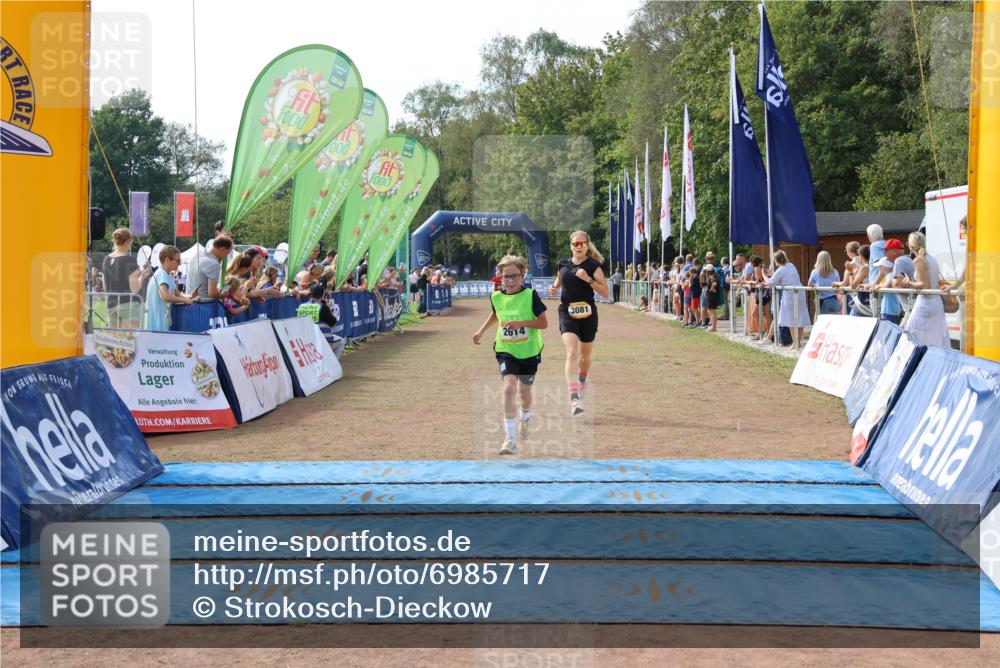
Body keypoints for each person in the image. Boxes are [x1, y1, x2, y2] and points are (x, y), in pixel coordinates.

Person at [472, 255, 548, 455]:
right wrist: (481, 330)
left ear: (523, 276)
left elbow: (543, 323)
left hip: (530, 352)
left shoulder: (531, 295)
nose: (511, 280)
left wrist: (521, 323)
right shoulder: (496, 297)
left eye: (515, 276)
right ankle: (510, 439)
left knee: (524, 393)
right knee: (508, 389)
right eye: (506, 276)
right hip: (506, 350)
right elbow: (496, 314)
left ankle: (525, 416)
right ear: (500, 277)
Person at [548, 231, 609, 416]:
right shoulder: (562, 264)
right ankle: (574, 399)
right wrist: (553, 287)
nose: (579, 246)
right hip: (567, 312)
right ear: (571, 246)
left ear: (587, 245)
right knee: (572, 351)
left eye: (582, 243)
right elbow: (558, 281)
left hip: (588, 314)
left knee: (585, 357)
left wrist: (588, 279)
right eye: (576, 244)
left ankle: (582, 380)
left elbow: (605, 292)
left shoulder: (593, 265)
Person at [901, 231, 950, 347]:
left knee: (912, 336)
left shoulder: (918, 260)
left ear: (911, 246)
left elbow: (924, 285)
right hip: (935, 302)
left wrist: (909, 283)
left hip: (925, 303)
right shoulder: (931, 259)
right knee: (935, 338)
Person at [101, 227, 150, 328]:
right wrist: (142, 277)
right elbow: (134, 288)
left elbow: (105, 286)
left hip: (111, 305)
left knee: (116, 340)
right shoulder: (129, 260)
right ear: (128, 241)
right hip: (128, 305)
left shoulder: (106, 259)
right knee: (131, 340)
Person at [144, 245, 195, 331]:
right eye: (178, 260)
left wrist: (191, 296)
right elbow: (165, 296)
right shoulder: (161, 274)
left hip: (163, 321)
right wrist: (184, 300)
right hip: (157, 324)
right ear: (167, 260)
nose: (180, 263)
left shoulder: (167, 276)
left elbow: (178, 294)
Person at [767, 250, 810, 345]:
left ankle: (795, 342)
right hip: (800, 293)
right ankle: (798, 342)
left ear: (776, 260)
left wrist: (764, 275)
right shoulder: (791, 266)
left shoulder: (781, 269)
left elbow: (770, 283)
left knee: (790, 319)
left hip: (790, 295)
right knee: (800, 318)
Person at [297, 283, 345, 359]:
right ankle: (333, 364)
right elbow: (333, 323)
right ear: (322, 295)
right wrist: (328, 308)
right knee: (341, 341)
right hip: (323, 340)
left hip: (306, 340)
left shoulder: (301, 306)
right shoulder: (323, 307)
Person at [869, 238, 907, 324]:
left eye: (880, 266)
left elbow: (888, 284)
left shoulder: (891, 274)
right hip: (893, 310)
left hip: (890, 310)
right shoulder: (891, 273)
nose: (879, 269)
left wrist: (878, 286)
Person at [187, 234, 233, 302]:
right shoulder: (214, 264)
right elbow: (212, 293)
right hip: (204, 306)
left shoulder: (197, 255)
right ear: (222, 249)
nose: (226, 257)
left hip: (189, 303)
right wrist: (224, 294)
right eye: (227, 253)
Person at [808, 251, 841, 316]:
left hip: (822, 301)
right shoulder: (835, 271)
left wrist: (816, 285)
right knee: (835, 321)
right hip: (834, 300)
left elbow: (809, 284)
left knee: (819, 319)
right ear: (829, 259)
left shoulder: (815, 272)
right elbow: (838, 286)